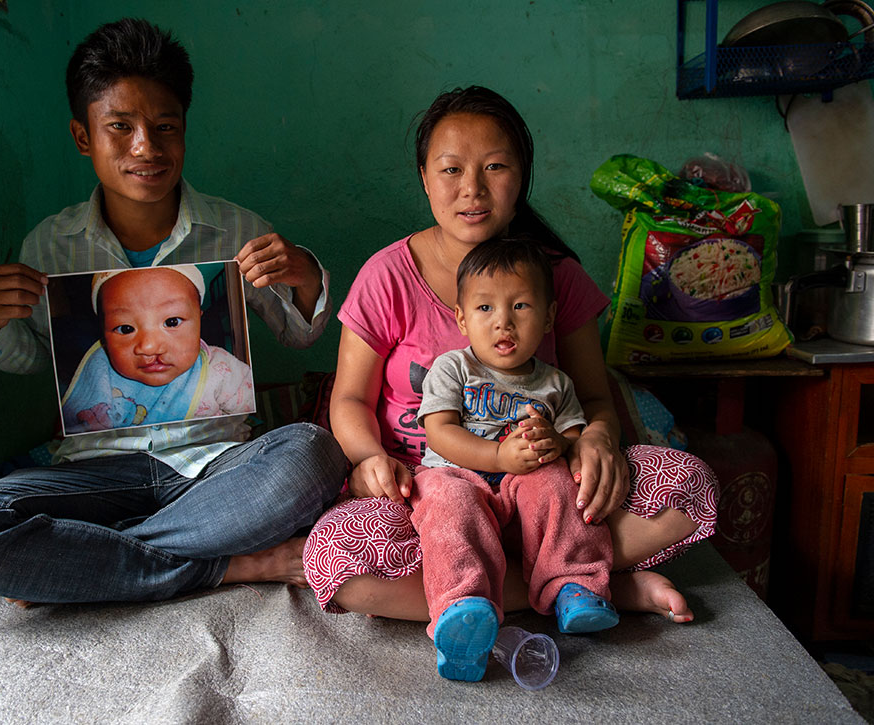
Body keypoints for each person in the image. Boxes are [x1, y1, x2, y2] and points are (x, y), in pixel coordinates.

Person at [0, 17, 349, 604]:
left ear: (185, 131)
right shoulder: (51, 243)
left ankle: (86, 555)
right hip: (92, 472)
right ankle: (226, 566)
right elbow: (37, 359)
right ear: (82, 136)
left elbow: (299, 334)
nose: (147, 147)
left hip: (215, 467)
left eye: (165, 126)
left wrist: (301, 274)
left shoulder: (236, 228)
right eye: (120, 127)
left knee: (311, 454)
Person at [303, 85, 718, 623]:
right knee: (340, 564)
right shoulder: (387, 275)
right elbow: (351, 398)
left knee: (688, 488)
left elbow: (593, 395)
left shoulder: (558, 277)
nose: (472, 188)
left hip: (547, 488)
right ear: (424, 178)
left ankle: (514, 584)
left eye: (494, 166)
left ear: (521, 177)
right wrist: (369, 461)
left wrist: (596, 440)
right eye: (451, 169)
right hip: (427, 491)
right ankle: (587, 584)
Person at [416, 235, 618, 682]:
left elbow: (572, 437)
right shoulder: (454, 368)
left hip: (521, 482)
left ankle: (575, 585)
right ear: (462, 318)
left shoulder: (556, 383)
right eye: (485, 309)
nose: (503, 322)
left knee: (558, 483)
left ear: (548, 318)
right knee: (448, 507)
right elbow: (440, 432)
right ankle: (463, 608)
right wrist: (497, 455)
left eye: (521, 307)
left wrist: (555, 442)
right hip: (457, 473)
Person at [61, 266, 254, 433]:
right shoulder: (100, 371)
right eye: (126, 329)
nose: (148, 347)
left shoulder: (221, 369)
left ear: (199, 320)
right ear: (104, 334)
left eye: (172, 322)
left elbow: (244, 419)